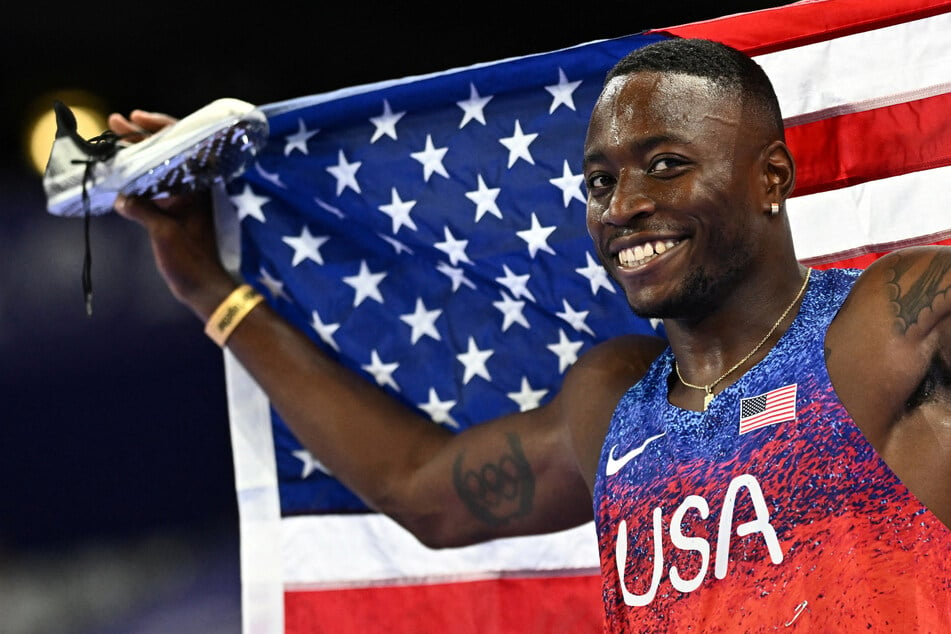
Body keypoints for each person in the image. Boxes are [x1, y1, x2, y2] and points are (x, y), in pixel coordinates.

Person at [109, 39, 951, 631]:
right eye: (599, 180)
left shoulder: (884, 323)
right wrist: (211, 290)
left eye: (665, 163)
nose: (622, 206)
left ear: (770, 176)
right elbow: (418, 490)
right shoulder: (611, 402)